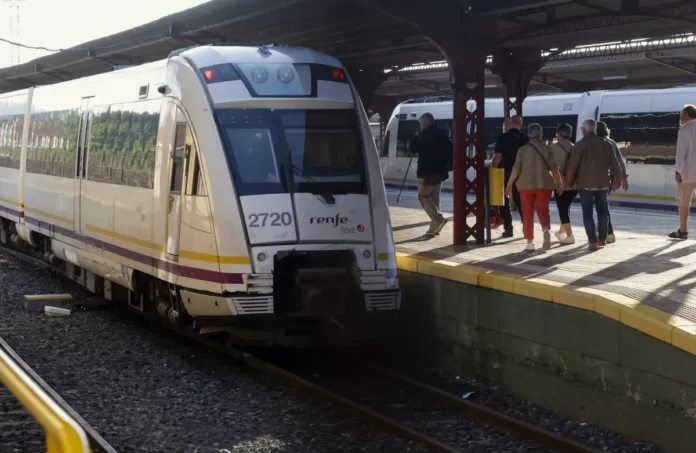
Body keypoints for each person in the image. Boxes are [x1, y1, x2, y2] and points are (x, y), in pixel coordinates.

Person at [505, 123, 564, 251]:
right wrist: (559, 183)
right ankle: (546, 230)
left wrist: (509, 184)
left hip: (526, 186)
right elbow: (554, 169)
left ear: (528, 134)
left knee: (527, 213)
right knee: (543, 211)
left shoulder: (522, 150)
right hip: (544, 185)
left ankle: (530, 242)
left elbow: (516, 170)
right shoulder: (547, 149)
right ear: (541, 134)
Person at [565, 119, 621, 251]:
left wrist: (569, 181)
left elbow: (572, 166)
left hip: (585, 185)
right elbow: (616, 164)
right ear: (595, 129)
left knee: (588, 213)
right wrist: (617, 181)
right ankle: (602, 239)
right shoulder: (606, 144)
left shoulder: (580, 145)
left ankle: (592, 241)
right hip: (603, 184)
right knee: (602, 212)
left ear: (584, 130)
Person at [409, 113, 451, 237]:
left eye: (421, 123)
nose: (420, 126)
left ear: (426, 122)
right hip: (441, 171)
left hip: (427, 171)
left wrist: (417, 136)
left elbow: (414, 148)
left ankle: (438, 218)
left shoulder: (425, 134)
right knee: (434, 197)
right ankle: (433, 229)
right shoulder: (442, 133)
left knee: (423, 196)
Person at [493, 115, 527, 238]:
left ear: (509, 123)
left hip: (505, 172)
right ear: (521, 124)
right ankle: (526, 228)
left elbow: (498, 157)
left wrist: (494, 170)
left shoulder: (503, 137)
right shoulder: (525, 138)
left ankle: (509, 229)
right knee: (521, 201)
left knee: (504, 201)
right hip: (520, 173)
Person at [596, 121, 629, 244]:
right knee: (602, 204)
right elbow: (620, 162)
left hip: (601, 178)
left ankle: (608, 232)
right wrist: (624, 178)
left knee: (602, 205)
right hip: (611, 177)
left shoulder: (597, 143)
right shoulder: (612, 142)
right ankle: (603, 230)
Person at [669, 105, 696, 240]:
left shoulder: (685, 130)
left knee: (683, 202)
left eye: (681, 114)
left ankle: (683, 231)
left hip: (688, 173)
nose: (680, 117)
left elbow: (681, 153)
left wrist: (678, 171)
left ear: (687, 114)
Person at [551, 123, 578, 245]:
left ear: (558, 134)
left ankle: (569, 235)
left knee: (562, 210)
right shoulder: (575, 147)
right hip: (575, 184)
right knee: (566, 207)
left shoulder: (552, 148)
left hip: (561, 184)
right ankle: (561, 232)